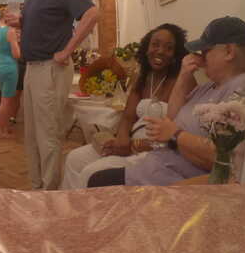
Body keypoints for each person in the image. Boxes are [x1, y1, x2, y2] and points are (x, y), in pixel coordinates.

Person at [87, 16, 245, 187]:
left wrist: (176, 135)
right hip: (158, 165)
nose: (201, 57)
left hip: (177, 179)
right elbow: (172, 117)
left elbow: (224, 158)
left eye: (206, 51)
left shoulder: (241, 87)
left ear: (229, 52)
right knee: (95, 178)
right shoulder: (209, 86)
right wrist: (184, 75)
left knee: (97, 181)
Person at [6, 0, 99, 190]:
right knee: (31, 134)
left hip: (50, 69)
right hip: (32, 68)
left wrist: (67, 50)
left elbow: (92, 14)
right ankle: (37, 187)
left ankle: (49, 193)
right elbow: (47, 20)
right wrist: (21, 22)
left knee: (47, 135)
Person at [61, 23, 188, 189]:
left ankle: (90, 206)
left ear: (176, 54)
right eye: (155, 45)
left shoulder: (182, 82)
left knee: (91, 172)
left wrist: (132, 146)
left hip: (155, 152)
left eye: (168, 48)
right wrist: (122, 139)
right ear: (146, 48)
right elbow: (127, 117)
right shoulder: (144, 77)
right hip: (130, 143)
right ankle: (70, 205)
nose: (160, 51)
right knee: (74, 158)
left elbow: (177, 136)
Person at [0, 13, 22, 136]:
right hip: (9, 67)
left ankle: (4, 127)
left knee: (4, 99)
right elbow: (16, 54)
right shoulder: (11, 31)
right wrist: (18, 43)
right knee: (6, 101)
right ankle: (1, 130)